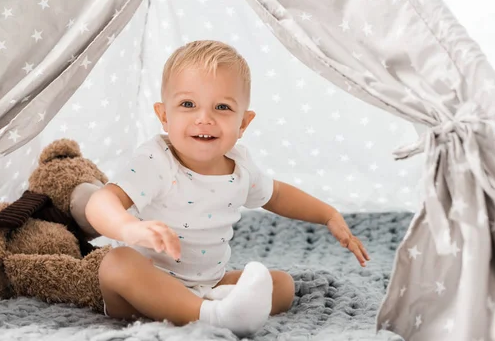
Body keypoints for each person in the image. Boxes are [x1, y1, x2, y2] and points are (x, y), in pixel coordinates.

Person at [84, 40, 370, 336]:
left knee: (282, 285)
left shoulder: (240, 166)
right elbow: (101, 202)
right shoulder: (156, 160)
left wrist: (328, 214)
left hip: (207, 283)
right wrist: (129, 228)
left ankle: (212, 305)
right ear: (164, 115)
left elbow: (278, 195)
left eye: (222, 107)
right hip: (143, 287)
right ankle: (211, 315)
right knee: (117, 263)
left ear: (243, 122)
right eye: (188, 104)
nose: (204, 118)